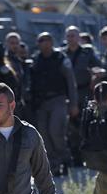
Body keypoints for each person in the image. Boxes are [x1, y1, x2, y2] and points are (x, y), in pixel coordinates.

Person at [29, 32, 78, 176]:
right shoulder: (35, 60)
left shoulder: (60, 58)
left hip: (58, 99)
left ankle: (65, 158)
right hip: (42, 102)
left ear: (51, 42)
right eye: (41, 40)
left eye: (47, 40)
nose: (44, 43)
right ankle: (54, 165)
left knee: (56, 131)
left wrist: (73, 104)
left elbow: (70, 82)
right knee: (44, 134)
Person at [64, 25, 102, 166]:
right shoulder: (62, 54)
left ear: (79, 37)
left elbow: (98, 67)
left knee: (86, 125)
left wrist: (95, 75)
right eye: (68, 36)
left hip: (84, 92)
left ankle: (88, 156)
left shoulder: (88, 52)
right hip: (68, 94)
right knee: (70, 127)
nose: (71, 38)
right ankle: (74, 156)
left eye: (73, 35)